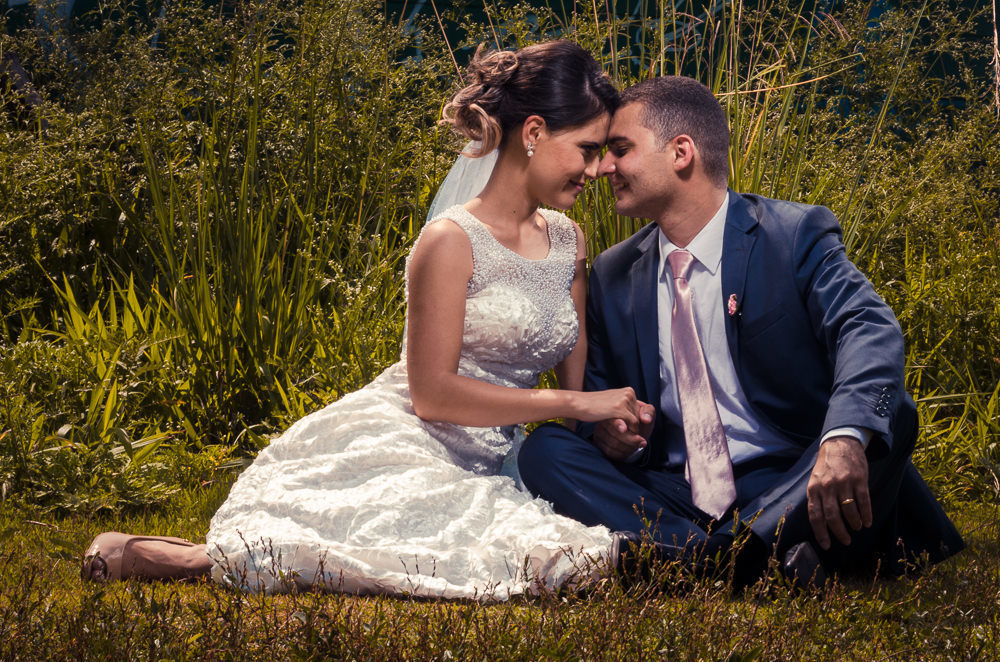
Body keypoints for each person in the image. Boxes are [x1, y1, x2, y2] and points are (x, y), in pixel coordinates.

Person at [81, 41, 634, 600]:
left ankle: (192, 555)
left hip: (506, 452)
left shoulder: (568, 243)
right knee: (385, 541)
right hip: (419, 435)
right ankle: (169, 556)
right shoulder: (450, 241)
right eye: (586, 150)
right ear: (534, 132)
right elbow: (434, 395)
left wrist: (602, 428)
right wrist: (575, 405)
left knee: (555, 553)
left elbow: (576, 388)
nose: (597, 169)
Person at [519, 76, 964, 586]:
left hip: (792, 478)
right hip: (674, 488)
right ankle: (739, 563)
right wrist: (615, 436)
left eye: (621, 150)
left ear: (681, 152)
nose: (604, 168)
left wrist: (841, 442)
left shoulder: (793, 235)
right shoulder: (614, 272)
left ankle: (693, 563)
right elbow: (597, 398)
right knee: (546, 451)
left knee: (888, 417)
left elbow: (867, 327)